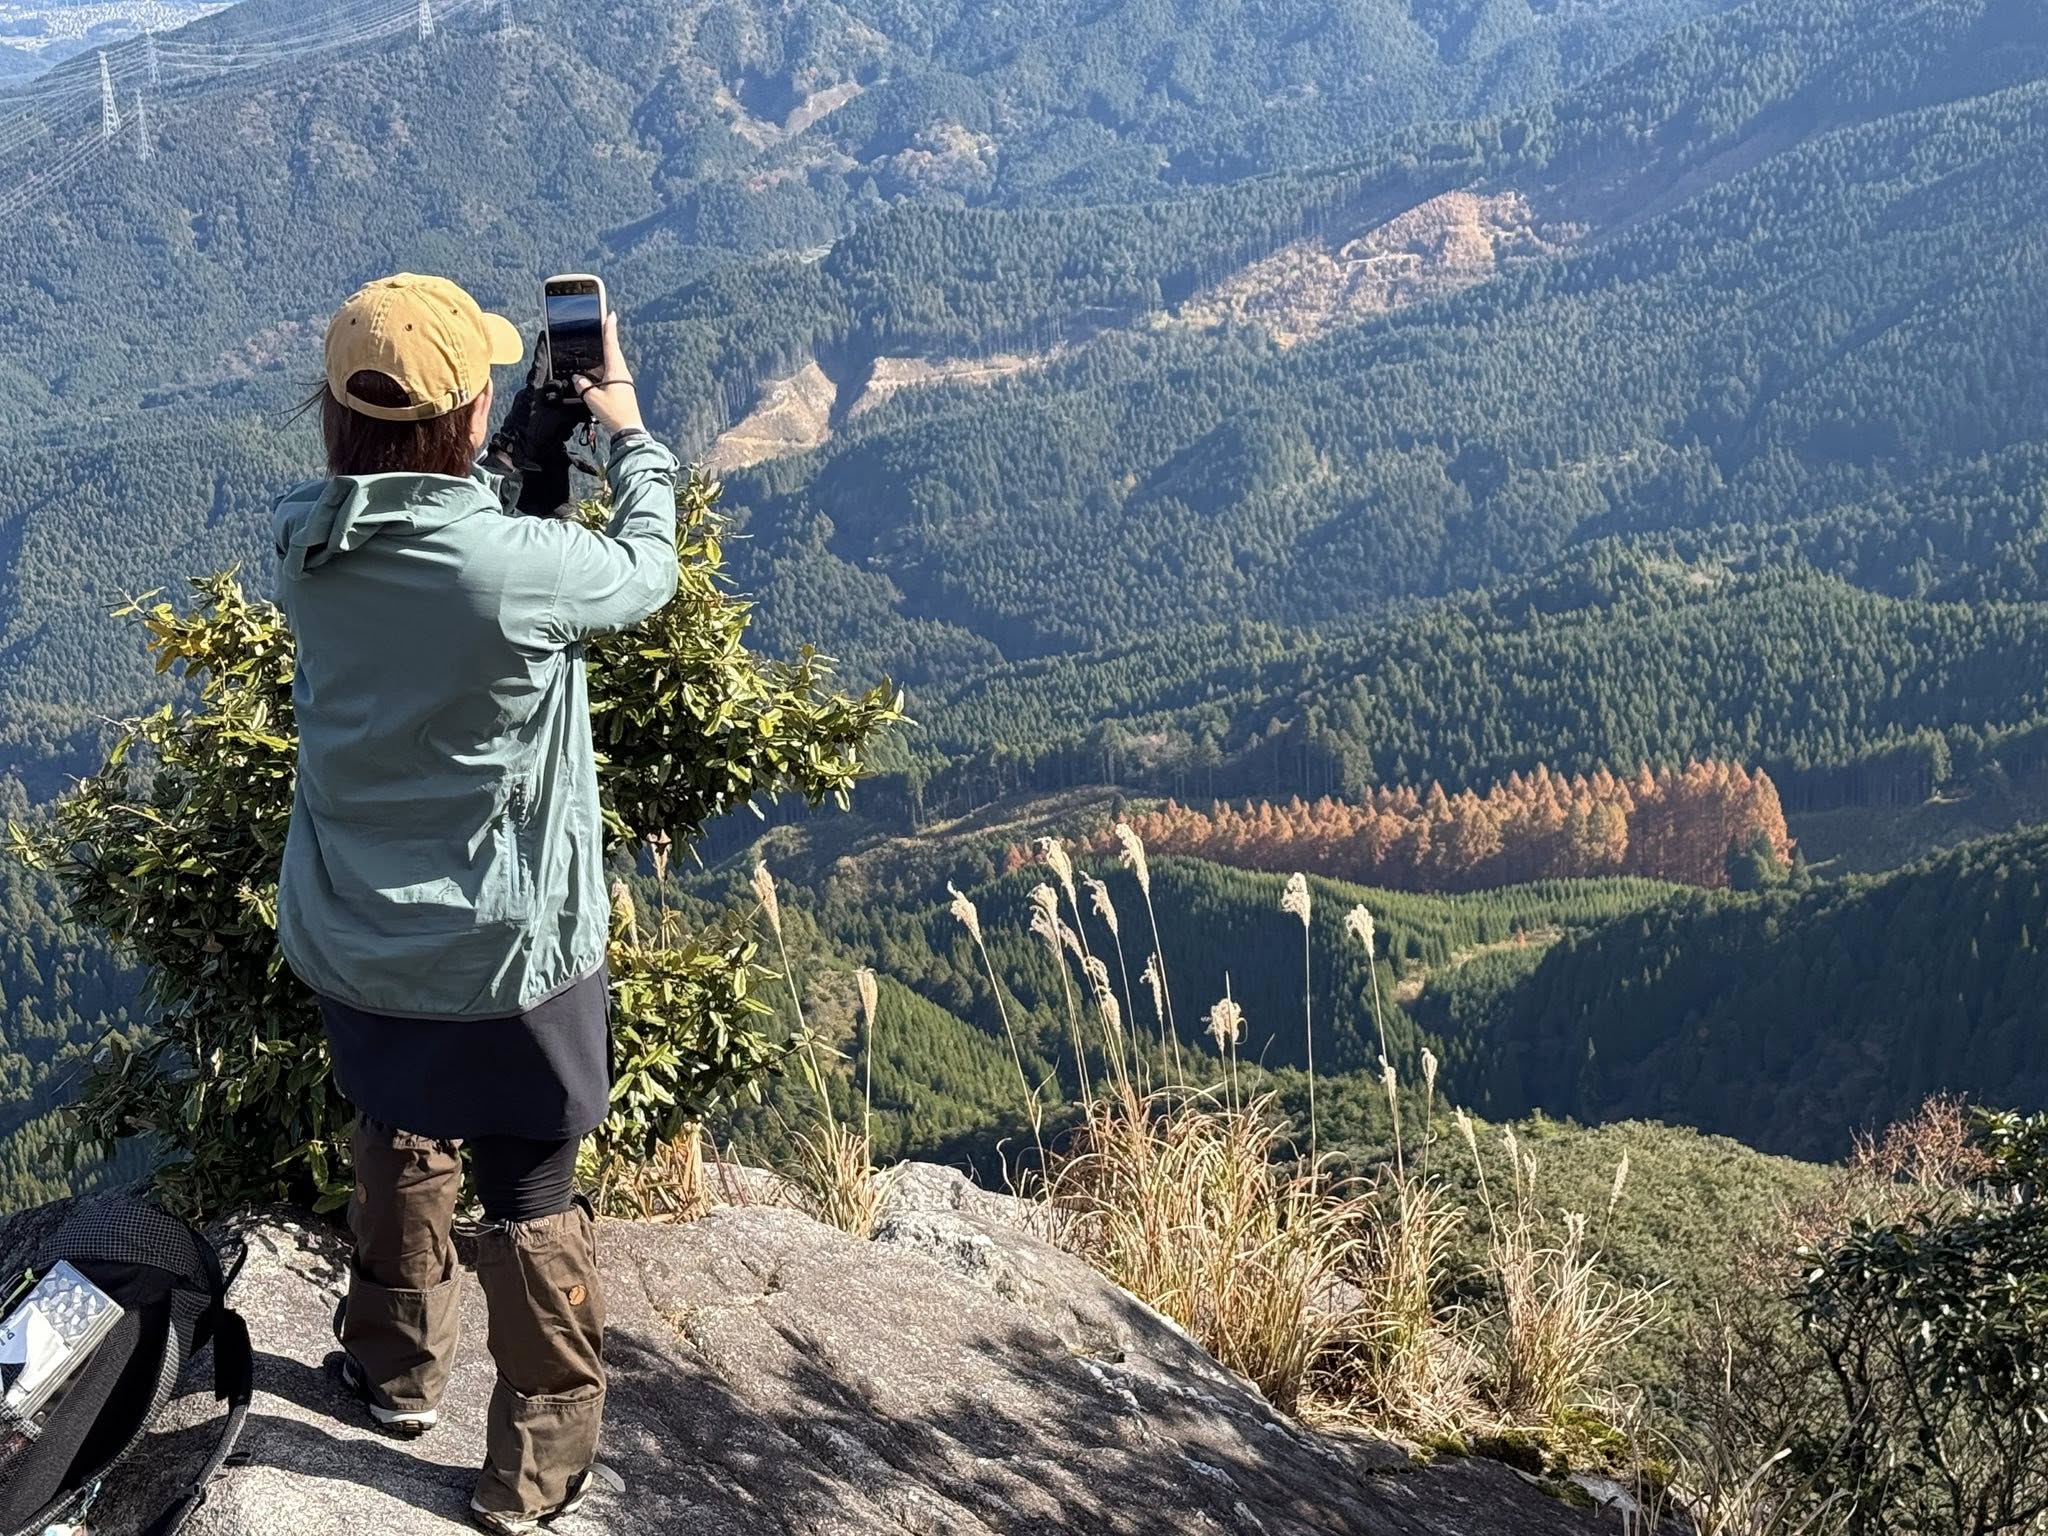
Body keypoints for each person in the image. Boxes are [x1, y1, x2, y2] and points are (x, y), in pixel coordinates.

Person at [270, 273, 679, 1534]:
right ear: (466, 412)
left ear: (337, 415)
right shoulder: (521, 570)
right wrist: (625, 431)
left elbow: (432, 539)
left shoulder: (307, 541)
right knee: (532, 1192)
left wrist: (500, 464)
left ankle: (392, 1373)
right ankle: (533, 1473)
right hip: (512, 954)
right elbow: (645, 569)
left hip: (360, 934)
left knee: (398, 1126)